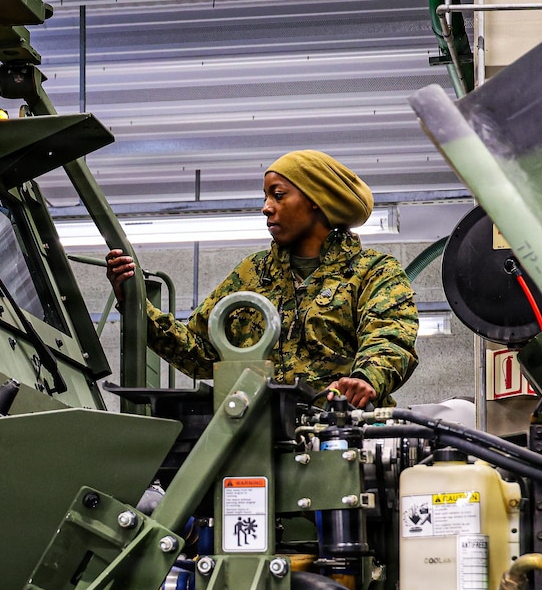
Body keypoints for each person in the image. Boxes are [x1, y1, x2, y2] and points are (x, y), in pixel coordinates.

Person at [105, 150, 418, 408]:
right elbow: (201, 353)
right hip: (260, 441)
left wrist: (365, 379)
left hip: (342, 437)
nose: (266, 207)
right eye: (267, 196)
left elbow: (390, 339)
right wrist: (133, 303)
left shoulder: (373, 272)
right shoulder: (253, 274)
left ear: (315, 200)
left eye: (278, 195)